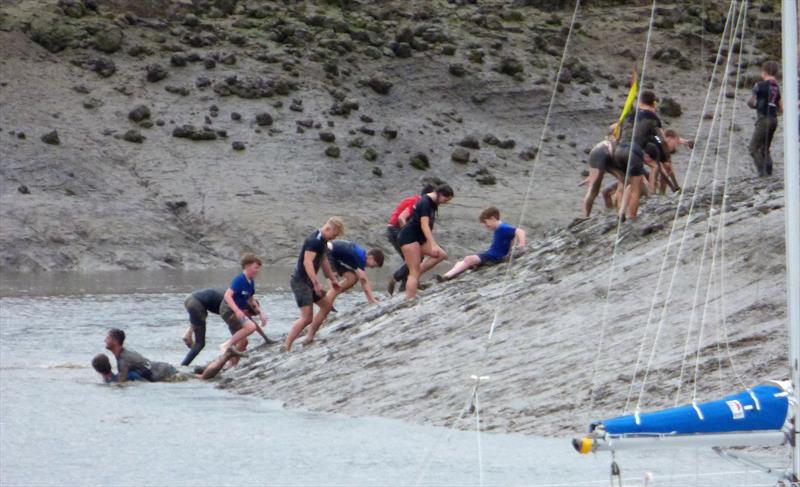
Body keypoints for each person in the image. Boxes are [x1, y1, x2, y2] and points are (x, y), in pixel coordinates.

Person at [299, 241, 384, 347]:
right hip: (327, 253)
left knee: (353, 277)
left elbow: (360, 278)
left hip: (334, 256)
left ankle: (329, 298)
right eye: (374, 265)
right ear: (370, 257)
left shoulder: (360, 255)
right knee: (335, 281)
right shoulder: (360, 256)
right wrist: (372, 300)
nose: (372, 268)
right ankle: (323, 308)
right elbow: (364, 281)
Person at [282, 217, 345, 352]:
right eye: (334, 235)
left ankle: (309, 337)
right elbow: (307, 262)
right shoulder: (314, 241)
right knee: (307, 317)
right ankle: (286, 345)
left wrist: (333, 280)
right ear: (328, 229)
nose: (334, 238)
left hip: (309, 282)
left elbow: (323, 261)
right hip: (301, 282)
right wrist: (316, 282)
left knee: (326, 306)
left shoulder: (323, 241)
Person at [612, 90, 664, 221]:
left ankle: (621, 212)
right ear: (653, 103)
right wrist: (660, 146)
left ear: (640, 101)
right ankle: (632, 217)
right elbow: (660, 138)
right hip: (633, 151)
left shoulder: (630, 114)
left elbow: (618, 132)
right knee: (637, 187)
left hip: (618, 151)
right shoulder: (652, 117)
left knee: (629, 182)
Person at [397, 184, 454, 300]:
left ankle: (415, 277)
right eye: (446, 200)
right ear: (440, 194)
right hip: (409, 238)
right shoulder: (425, 202)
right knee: (413, 271)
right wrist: (433, 244)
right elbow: (425, 226)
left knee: (440, 254)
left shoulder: (433, 203)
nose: (446, 202)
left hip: (419, 238)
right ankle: (409, 298)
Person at [437, 207, 525, 281]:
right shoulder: (499, 229)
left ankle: (446, 277)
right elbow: (511, 238)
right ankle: (450, 274)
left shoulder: (503, 227)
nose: (485, 226)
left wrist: (521, 246)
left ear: (493, 218)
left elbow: (520, 231)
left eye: (486, 222)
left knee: (469, 259)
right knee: (461, 262)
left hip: (494, 257)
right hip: (491, 255)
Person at [93, 344, 244, 383]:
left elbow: (133, 380)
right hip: (162, 368)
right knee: (193, 373)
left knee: (203, 378)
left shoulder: (120, 376)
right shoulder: (122, 368)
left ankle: (226, 356)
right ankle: (219, 363)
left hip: (165, 373)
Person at [217, 254, 270, 361]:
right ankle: (225, 345)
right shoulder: (240, 280)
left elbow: (250, 299)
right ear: (247, 266)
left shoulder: (251, 281)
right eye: (256, 267)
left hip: (237, 311)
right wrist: (237, 310)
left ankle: (230, 363)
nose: (257, 270)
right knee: (250, 326)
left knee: (243, 342)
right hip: (228, 310)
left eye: (259, 268)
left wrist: (260, 314)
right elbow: (227, 295)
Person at [386, 183, 436, 295]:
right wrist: (408, 235)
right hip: (396, 230)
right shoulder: (420, 202)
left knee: (412, 259)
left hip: (394, 230)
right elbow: (401, 218)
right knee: (414, 258)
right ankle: (398, 280)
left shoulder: (419, 200)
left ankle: (406, 286)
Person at [103, 328, 179, 383]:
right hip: (162, 368)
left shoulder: (124, 359)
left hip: (165, 372)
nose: (105, 340)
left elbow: (121, 383)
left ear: (116, 341)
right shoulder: (123, 353)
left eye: (108, 338)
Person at [747, 60, 782, 177]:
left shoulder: (759, 86)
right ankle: (769, 172)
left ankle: (762, 173)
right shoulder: (776, 87)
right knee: (765, 148)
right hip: (774, 120)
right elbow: (781, 107)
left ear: (764, 72)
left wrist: (755, 105)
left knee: (753, 148)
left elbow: (752, 102)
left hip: (763, 119)